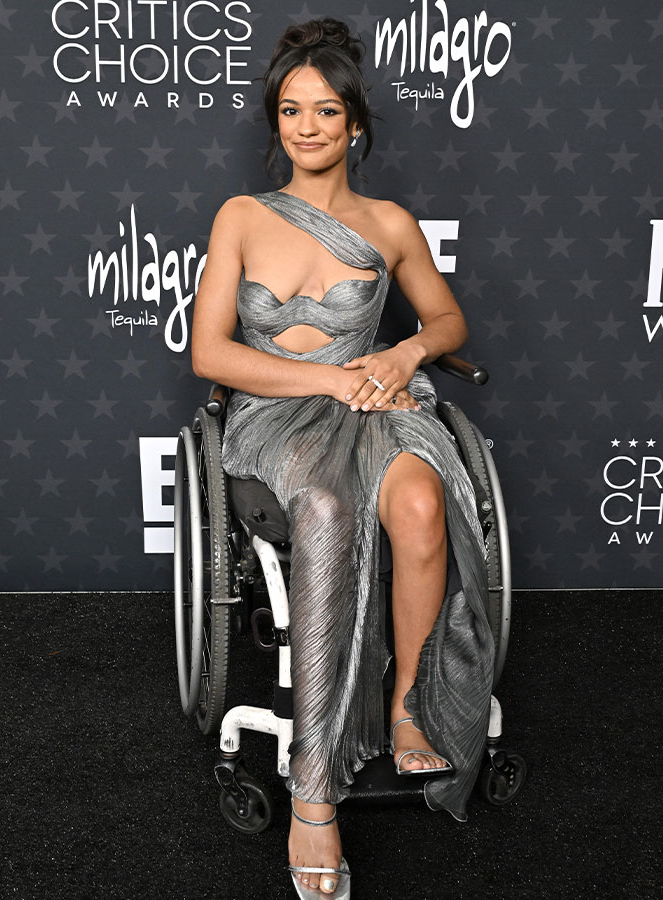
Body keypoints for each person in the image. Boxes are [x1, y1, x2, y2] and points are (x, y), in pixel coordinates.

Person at [190, 17, 494, 899]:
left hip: (378, 402)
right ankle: (312, 790)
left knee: (419, 506)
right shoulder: (242, 216)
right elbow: (211, 353)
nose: (309, 127)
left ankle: (408, 707)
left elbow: (447, 325)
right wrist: (320, 383)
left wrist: (403, 356)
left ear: (355, 124)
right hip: (277, 414)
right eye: (291, 111)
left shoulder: (389, 223)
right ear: (276, 124)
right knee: (323, 506)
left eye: (327, 111)